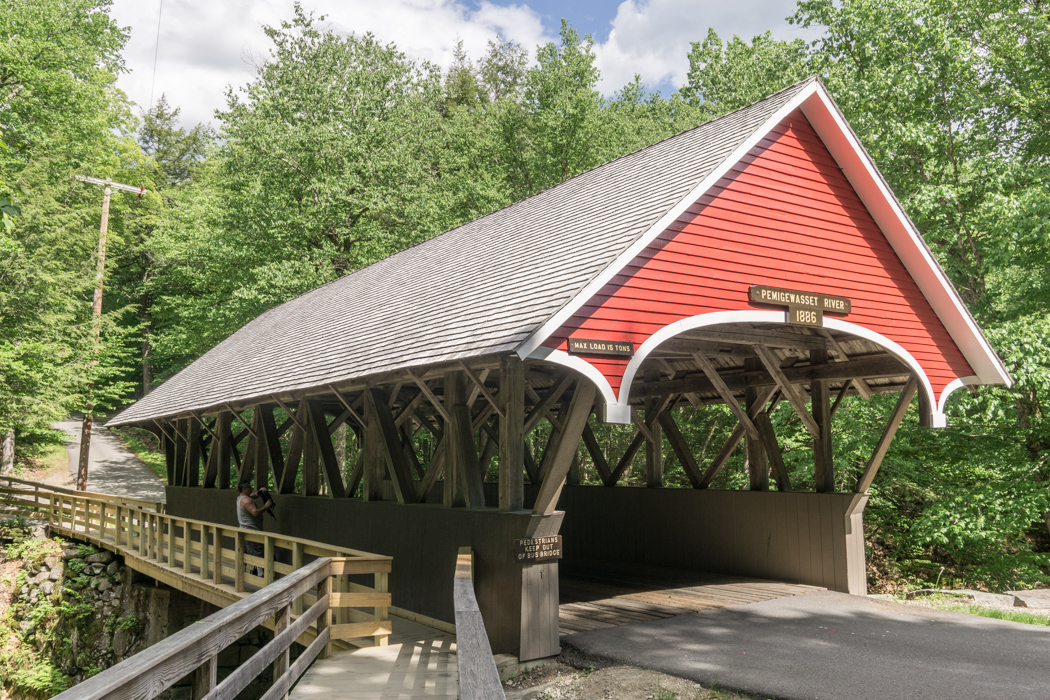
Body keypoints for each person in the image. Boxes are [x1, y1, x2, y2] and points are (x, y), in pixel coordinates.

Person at [237, 480, 273, 578]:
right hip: (252, 531)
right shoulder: (246, 500)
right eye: (249, 487)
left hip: (244, 530)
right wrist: (266, 506)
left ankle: (242, 575)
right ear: (244, 489)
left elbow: (255, 495)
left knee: (245, 554)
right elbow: (255, 512)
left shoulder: (242, 498)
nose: (251, 489)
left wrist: (261, 491)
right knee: (257, 553)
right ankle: (261, 575)